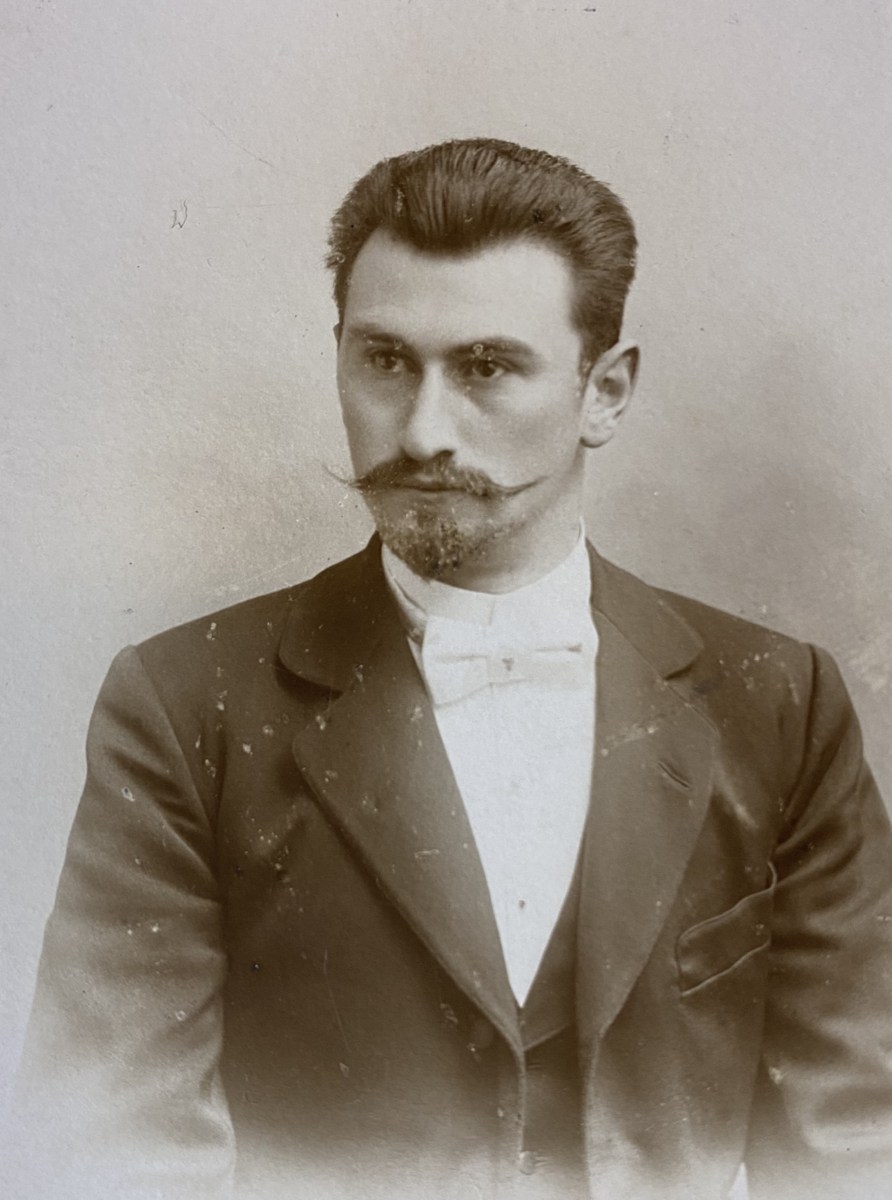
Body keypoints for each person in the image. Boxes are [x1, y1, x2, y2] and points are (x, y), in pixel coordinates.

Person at [6, 138, 892, 1200]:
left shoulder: (778, 701)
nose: (423, 431)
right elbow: (108, 1155)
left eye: (486, 368)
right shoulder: (183, 702)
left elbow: (856, 1149)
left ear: (606, 393)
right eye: (385, 361)